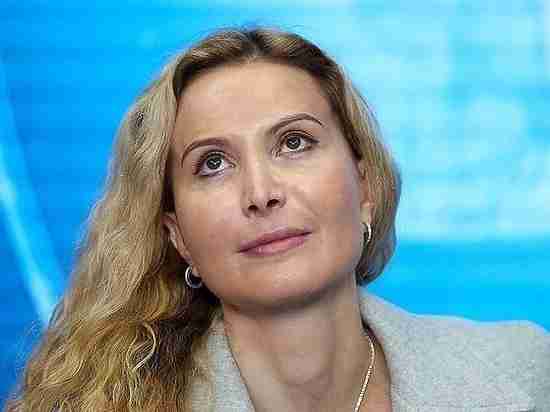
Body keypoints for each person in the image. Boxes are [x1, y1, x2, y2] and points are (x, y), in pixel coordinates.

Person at [4, 27, 549, 412]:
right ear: (179, 237)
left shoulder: (522, 370)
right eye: (212, 164)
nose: (261, 194)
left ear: (365, 187)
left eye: (294, 142)